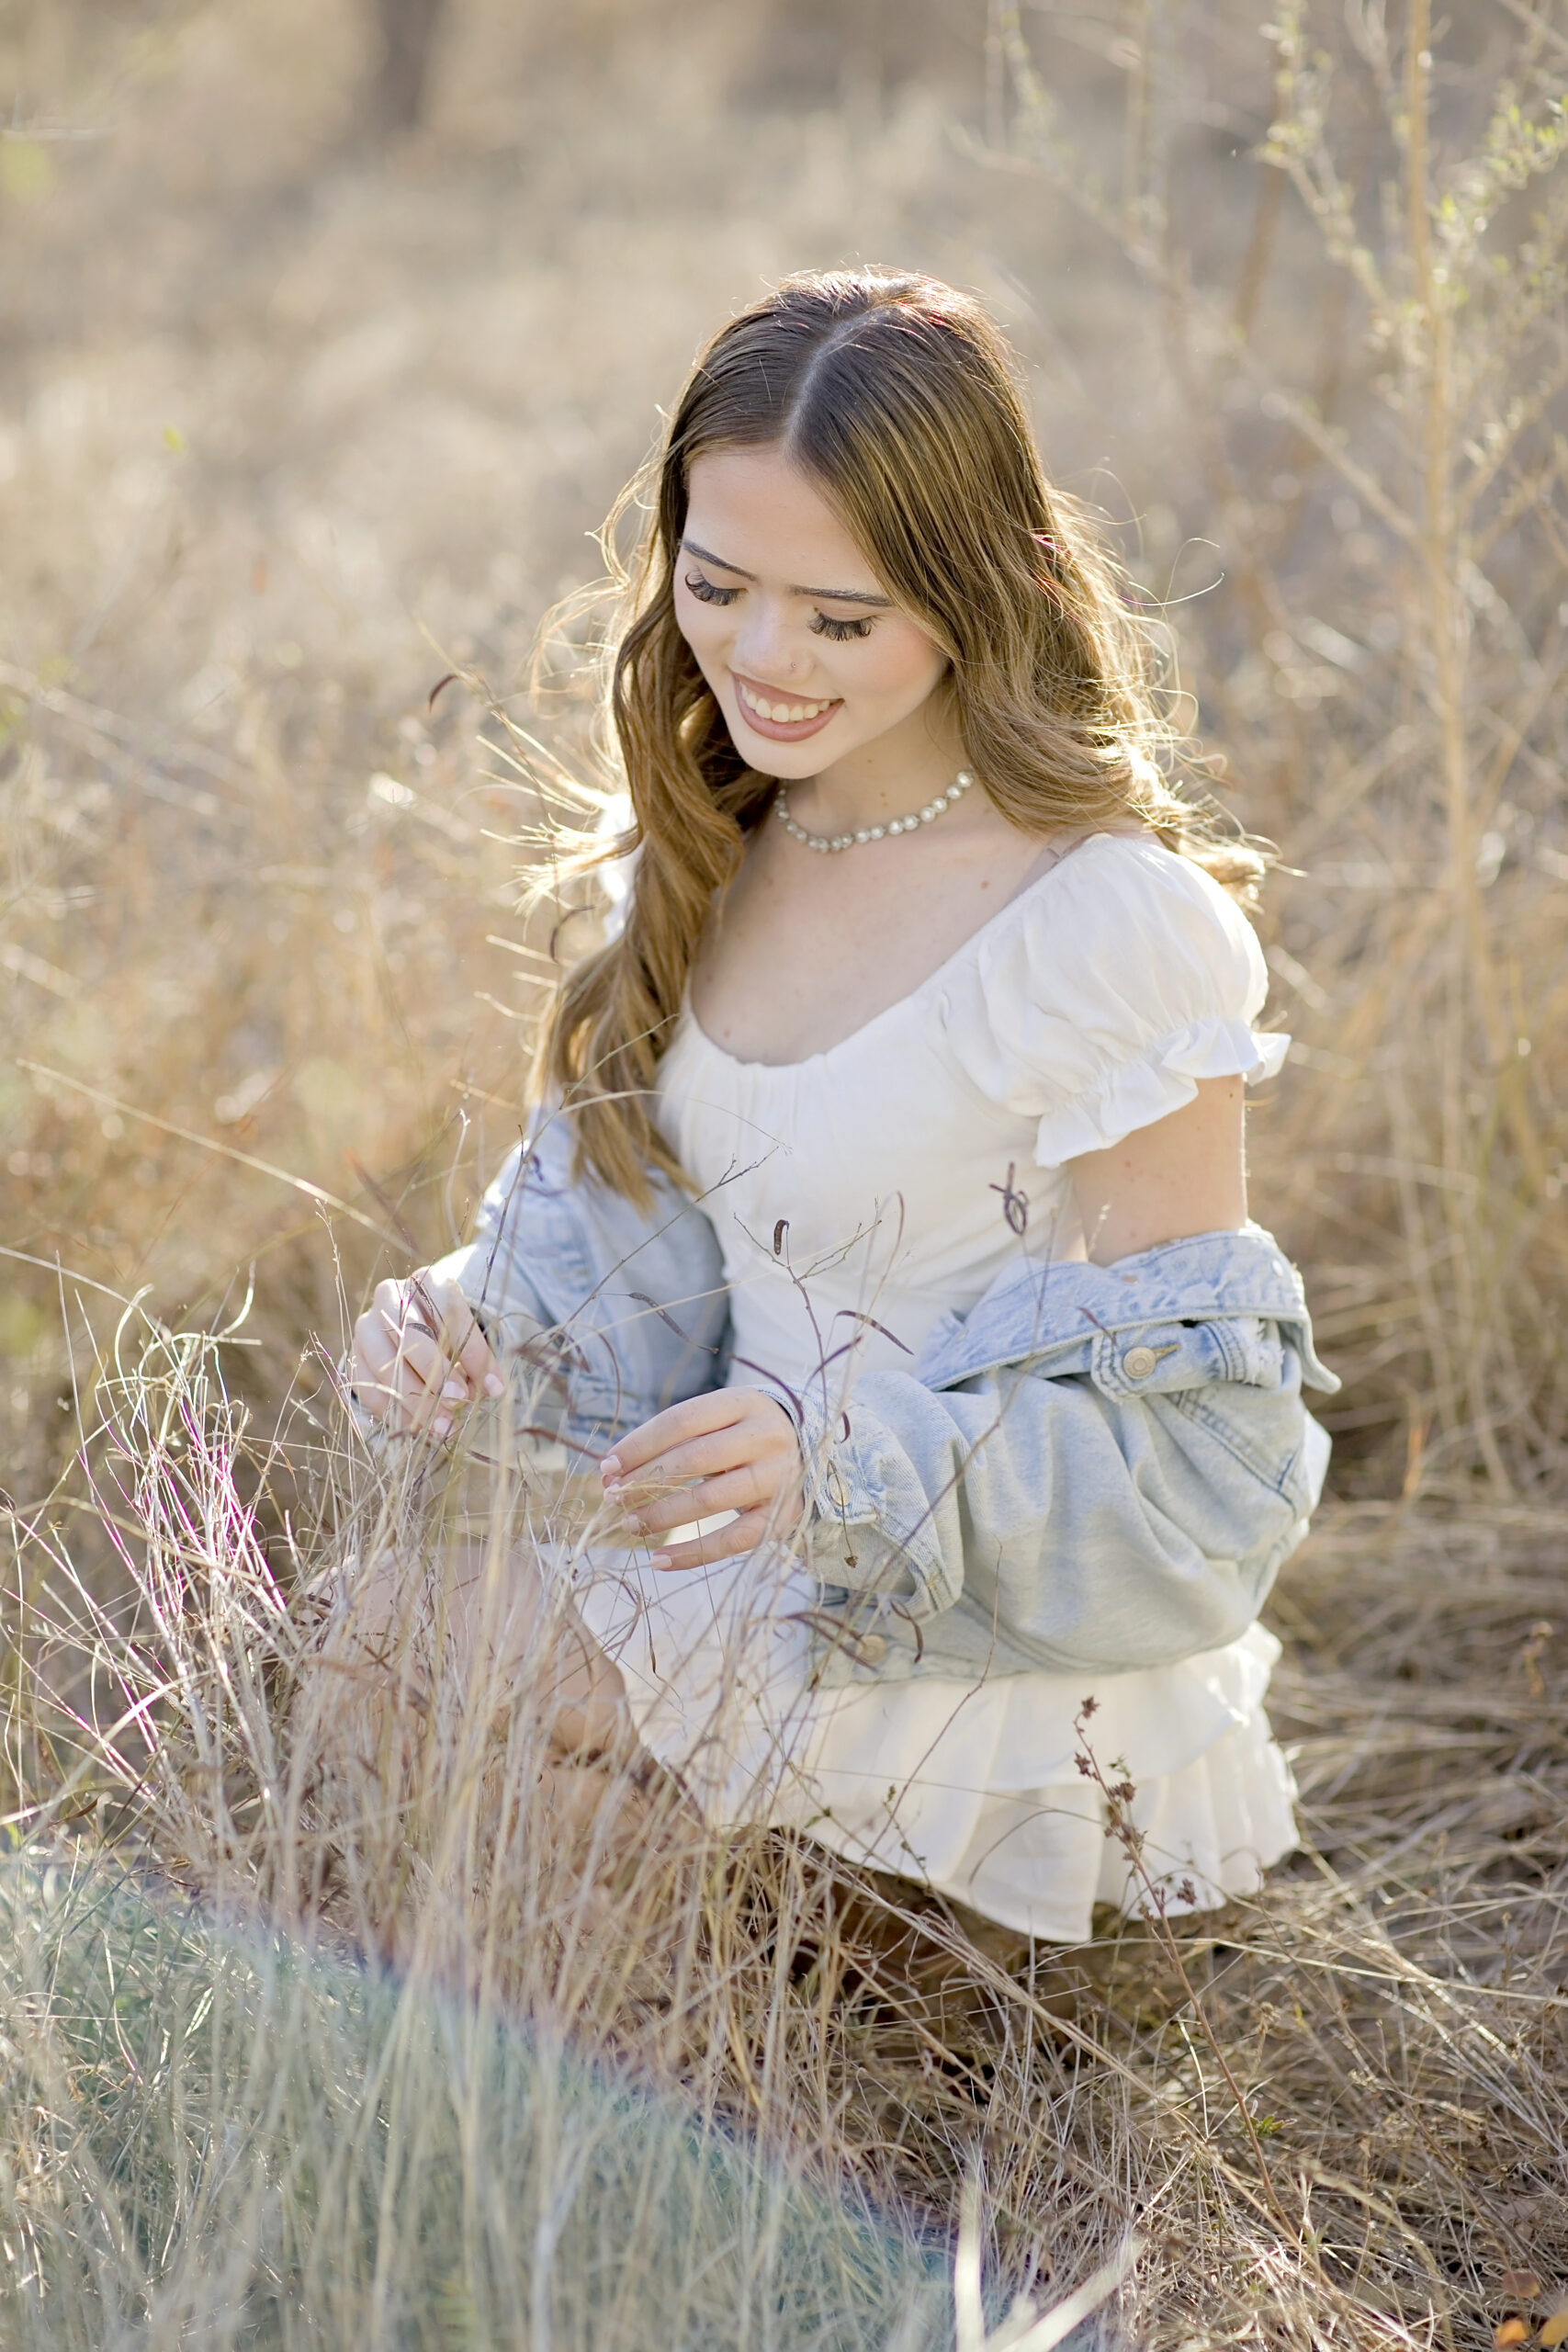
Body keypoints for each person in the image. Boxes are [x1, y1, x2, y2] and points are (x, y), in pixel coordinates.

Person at [348, 269, 1337, 1946]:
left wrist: (838, 1468)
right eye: (719, 587)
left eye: (840, 617)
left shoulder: (1103, 931)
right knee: (370, 1656)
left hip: (980, 1637)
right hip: (728, 1573)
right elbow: (649, 1244)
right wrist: (459, 1319)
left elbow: (1205, 1480)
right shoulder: (712, 841)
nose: (760, 658)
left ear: (975, 594)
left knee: (443, 1722)